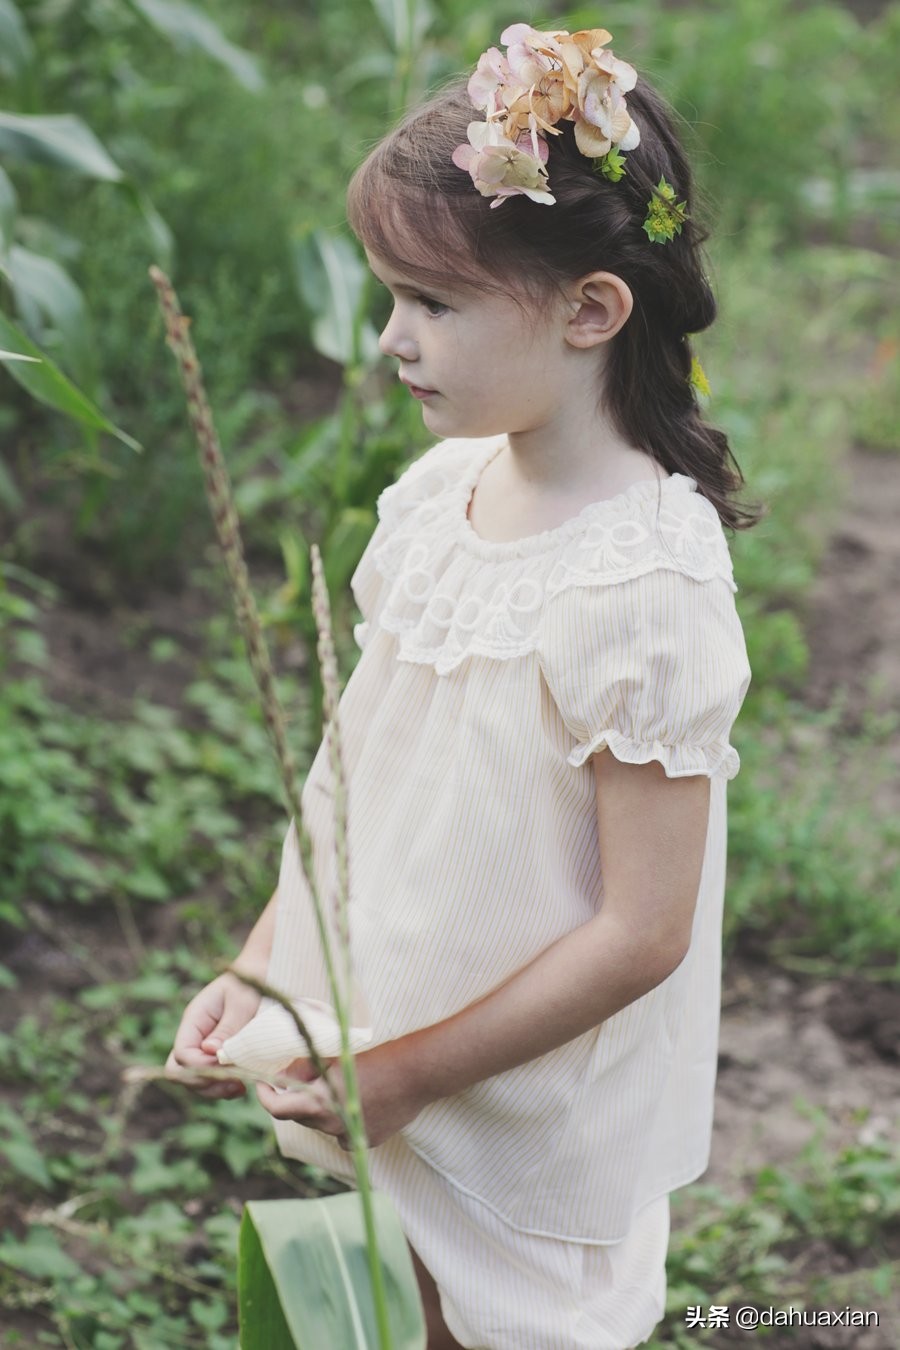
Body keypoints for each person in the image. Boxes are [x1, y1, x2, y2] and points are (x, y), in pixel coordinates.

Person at [167, 21, 762, 1349]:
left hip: (512, 1084)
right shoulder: (442, 501)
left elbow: (641, 929)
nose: (391, 338)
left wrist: (413, 1073)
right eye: (391, 295)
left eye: (432, 302)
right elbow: (353, 765)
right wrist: (265, 967)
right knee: (409, 1310)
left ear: (590, 310)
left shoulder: (640, 586)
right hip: (405, 1030)